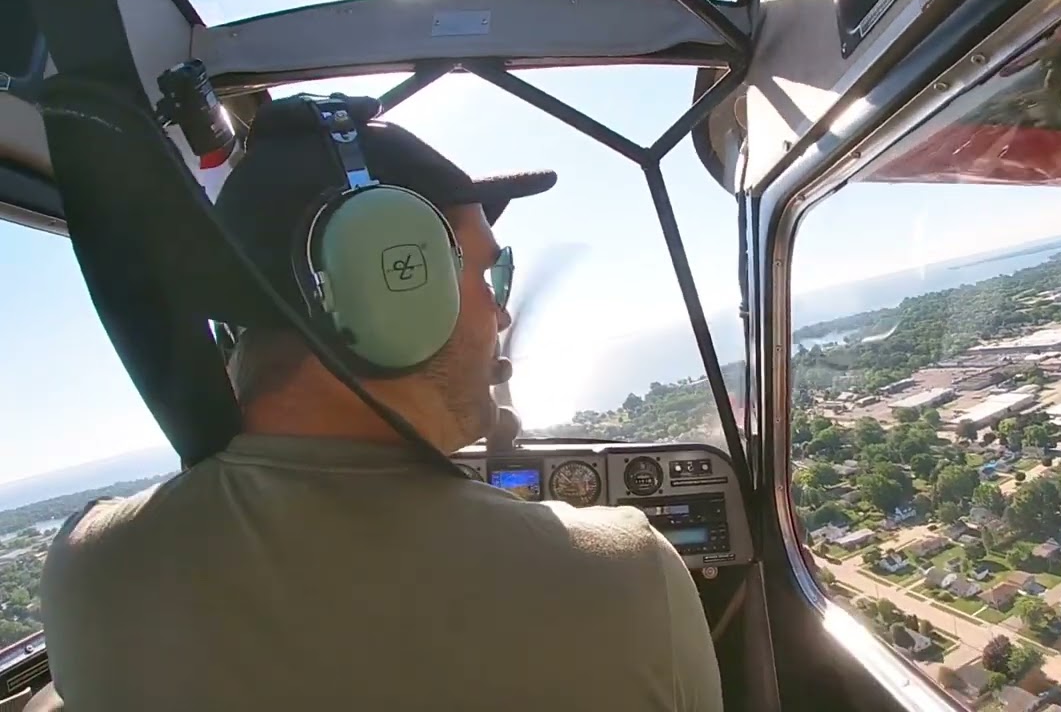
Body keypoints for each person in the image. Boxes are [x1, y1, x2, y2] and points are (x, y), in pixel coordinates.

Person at [39, 95, 723, 712]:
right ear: (393, 286)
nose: (500, 315)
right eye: (486, 273)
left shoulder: (90, 568)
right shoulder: (625, 576)